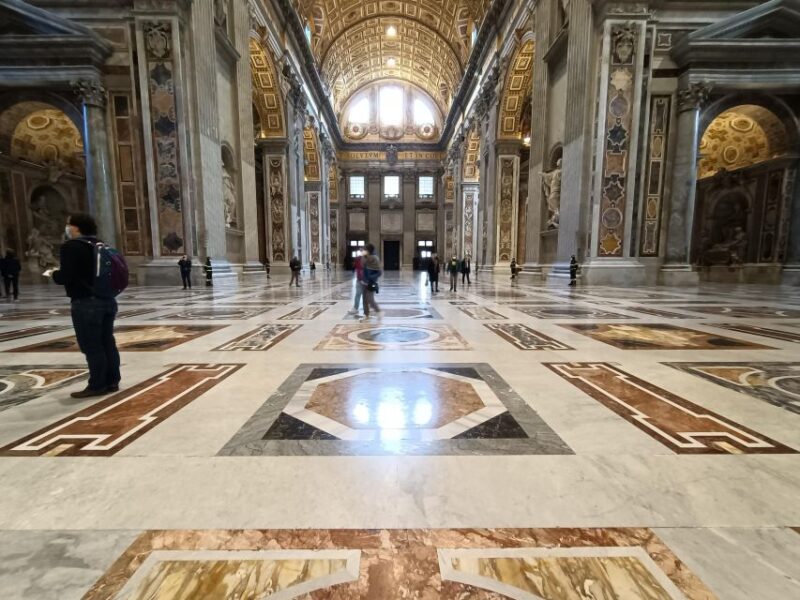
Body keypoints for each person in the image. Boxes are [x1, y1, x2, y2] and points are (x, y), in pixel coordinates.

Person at [47, 213, 120, 398]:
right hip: (108, 300)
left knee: (92, 345)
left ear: (76, 227)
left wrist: (53, 274)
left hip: (86, 303)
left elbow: (66, 276)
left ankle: (97, 385)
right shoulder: (101, 244)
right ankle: (112, 381)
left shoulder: (72, 246)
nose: (67, 227)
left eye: (68, 224)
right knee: (107, 342)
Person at [360, 243, 382, 321]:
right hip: (364, 281)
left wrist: (371, 278)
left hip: (371, 282)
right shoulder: (364, 258)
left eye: (365, 249)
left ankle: (378, 311)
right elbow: (362, 267)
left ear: (368, 250)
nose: (363, 250)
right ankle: (366, 314)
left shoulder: (375, 259)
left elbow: (379, 272)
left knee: (370, 299)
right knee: (364, 300)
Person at [348, 248, 365, 316]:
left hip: (366, 280)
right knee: (358, 294)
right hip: (359, 279)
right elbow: (355, 266)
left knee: (366, 295)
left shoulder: (369, 259)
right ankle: (355, 308)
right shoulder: (357, 259)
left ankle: (366, 308)